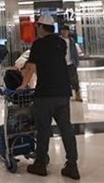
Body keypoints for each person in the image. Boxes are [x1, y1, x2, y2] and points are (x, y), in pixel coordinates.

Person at [19, 15, 80, 180]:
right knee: (66, 128)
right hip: (63, 93)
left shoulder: (38, 44)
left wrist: (23, 85)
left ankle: (40, 164)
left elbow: (31, 67)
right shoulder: (62, 43)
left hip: (45, 93)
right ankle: (72, 165)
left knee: (43, 129)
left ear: (40, 27)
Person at [60, 25, 82, 102]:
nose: (64, 32)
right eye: (63, 31)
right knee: (63, 80)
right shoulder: (59, 41)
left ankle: (77, 94)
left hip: (71, 63)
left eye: (66, 31)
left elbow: (75, 52)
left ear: (68, 32)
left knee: (75, 80)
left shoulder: (72, 41)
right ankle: (64, 95)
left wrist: (76, 62)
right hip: (61, 64)